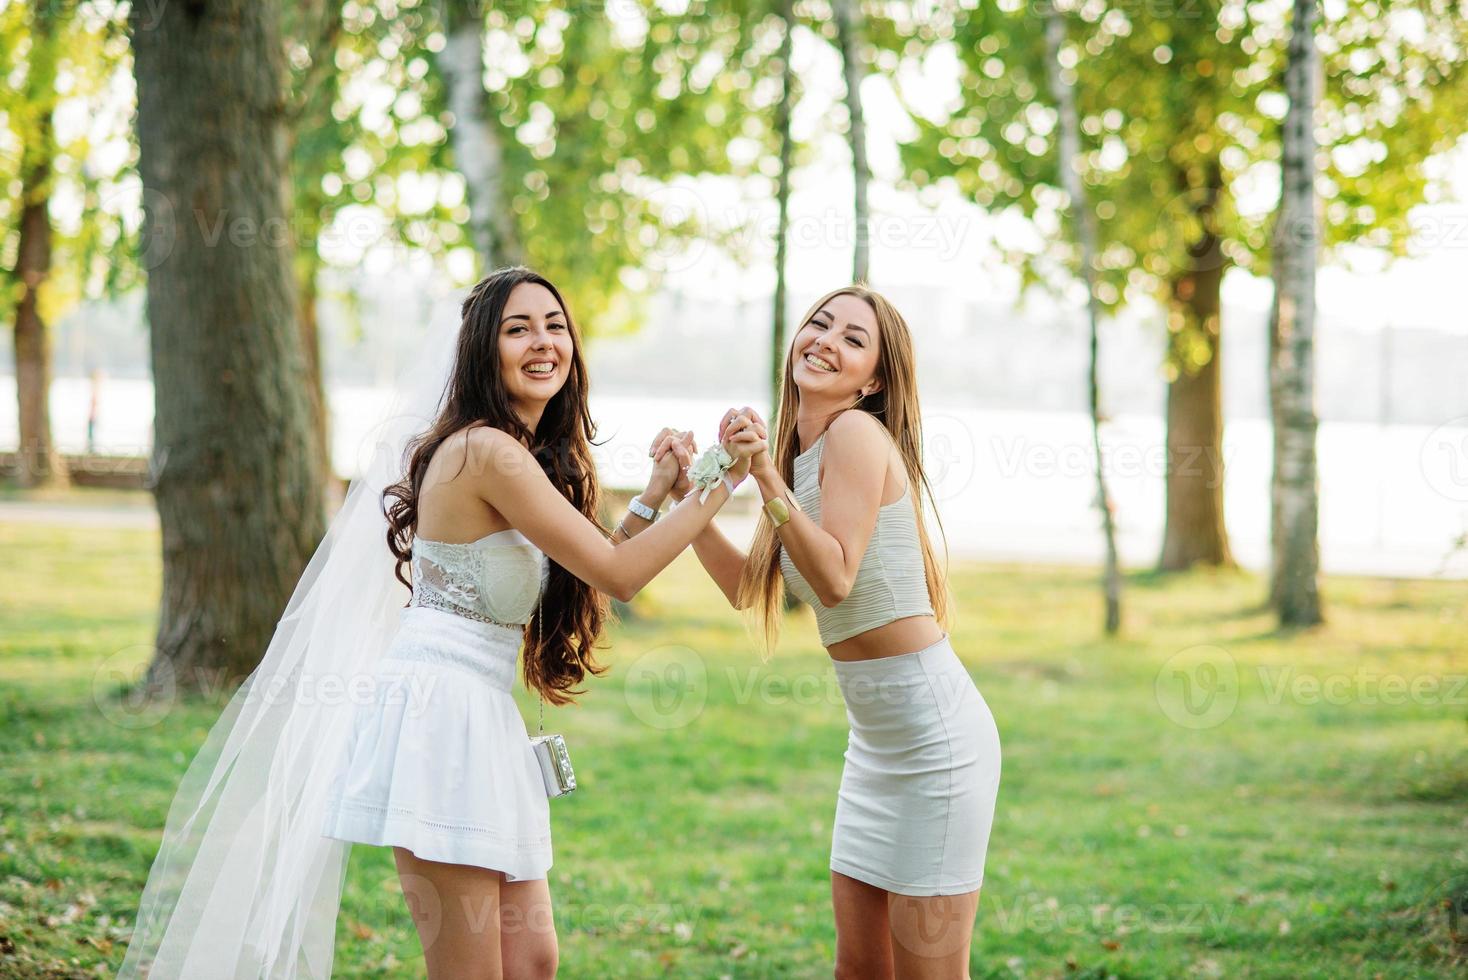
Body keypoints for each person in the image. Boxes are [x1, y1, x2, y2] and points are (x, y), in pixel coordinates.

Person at [119, 267, 765, 979]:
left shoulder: (518, 455)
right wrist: (722, 481)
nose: (542, 342)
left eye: (554, 325)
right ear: (482, 350)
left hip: (482, 714)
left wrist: (652, 498)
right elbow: (622, 574)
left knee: (532, 960)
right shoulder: (483, 451)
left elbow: (593, 568)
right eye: (518, 329)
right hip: (437, 717)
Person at [669, 285, 1001, 979]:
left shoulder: (854, 434)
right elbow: (744, 586)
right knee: (859, 970)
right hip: (875, 746)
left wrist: (760, 475)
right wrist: (683, 500)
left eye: (853, 339)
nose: (826, 341)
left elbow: (836, 580)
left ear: (874, 378)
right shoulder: (796, 455)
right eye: (818, 324)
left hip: (935, 743)